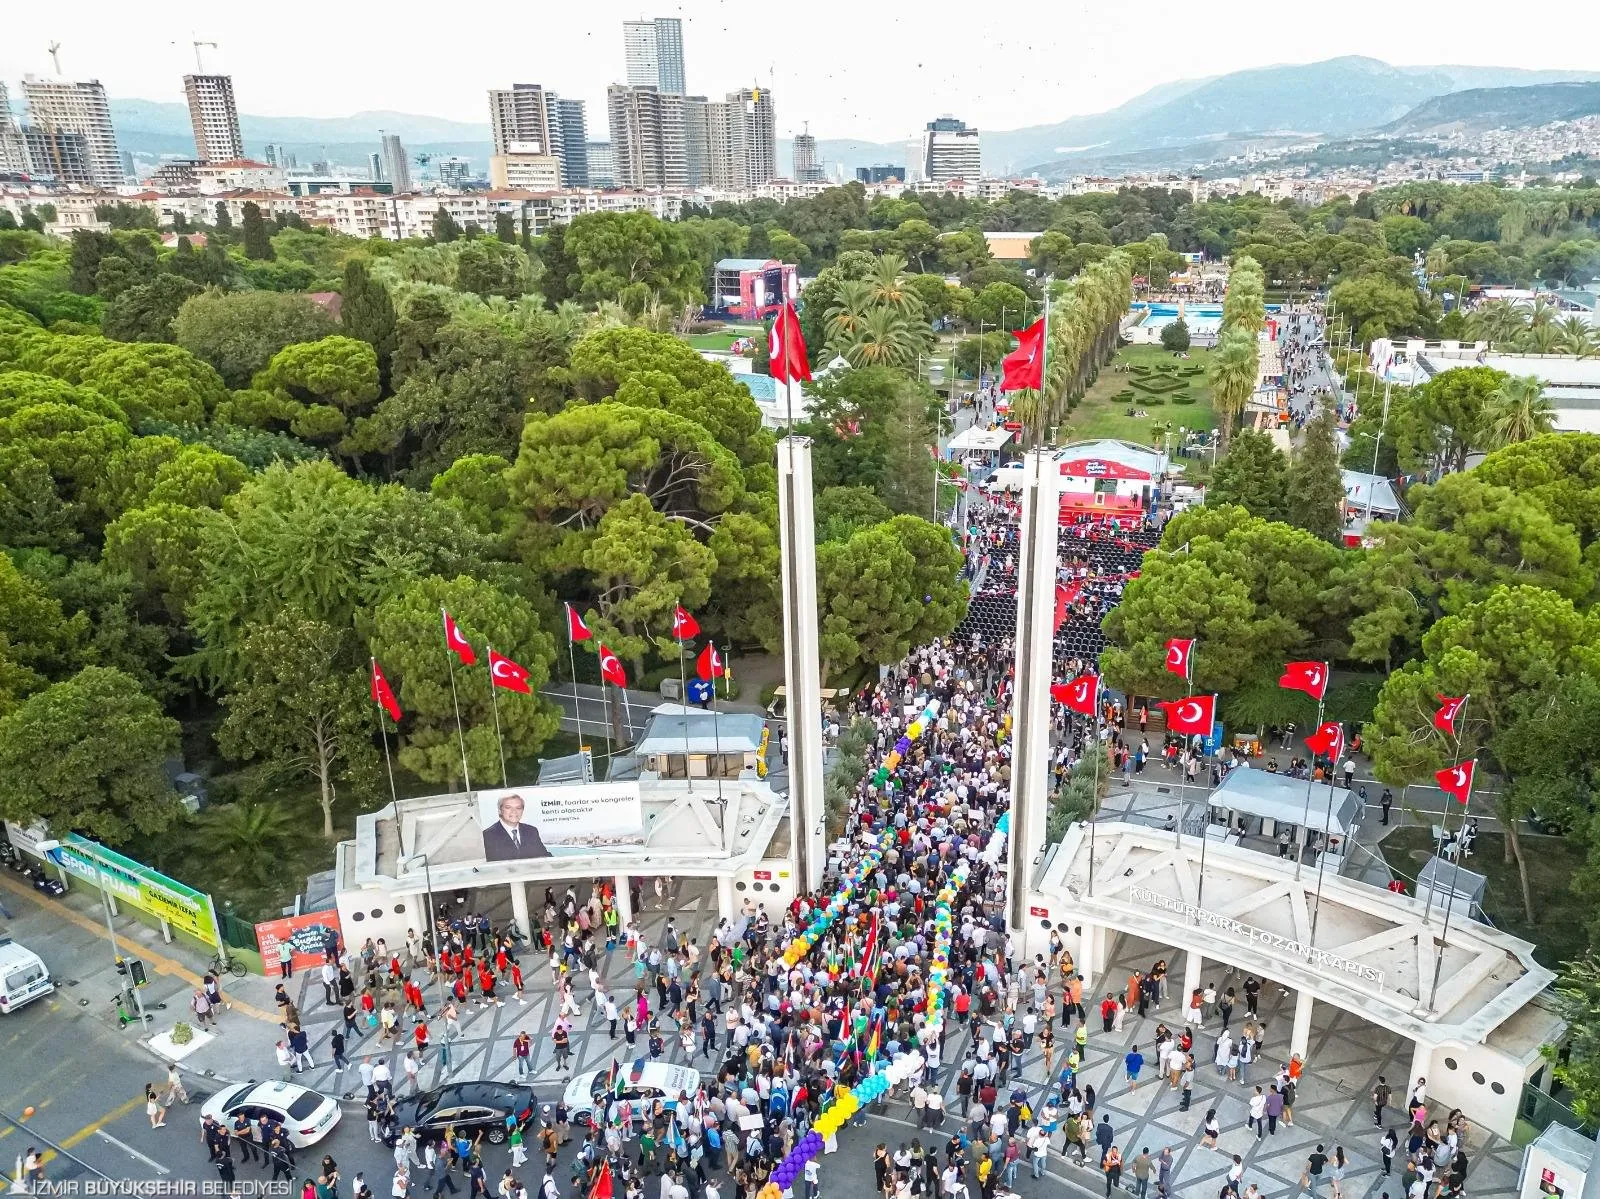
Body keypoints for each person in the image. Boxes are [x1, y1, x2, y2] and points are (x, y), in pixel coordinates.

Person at [481, 793, 552, 861]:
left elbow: (544, 856)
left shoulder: (531, 831)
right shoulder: (487, 835)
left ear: (522, 810)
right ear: (500, 810)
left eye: (518, 808)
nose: (514, 811)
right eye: (508, 807)